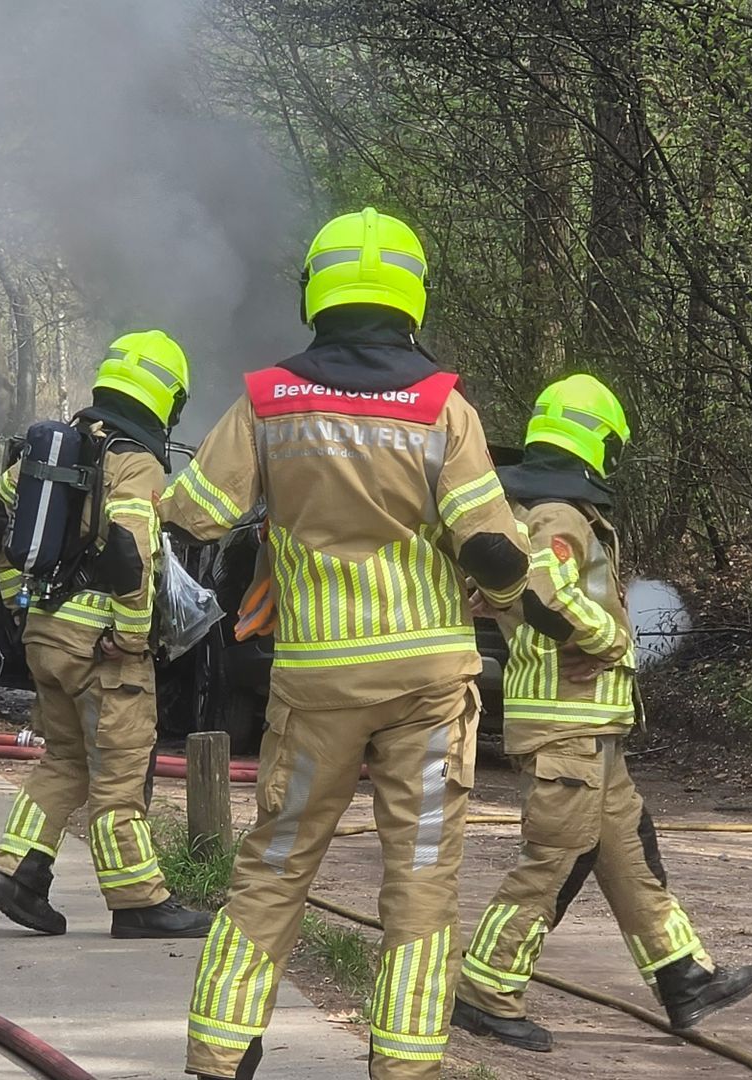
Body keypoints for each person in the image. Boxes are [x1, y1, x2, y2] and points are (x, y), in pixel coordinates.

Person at [165, 208, 531, 1080]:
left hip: (317, 682)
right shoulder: (446, 407)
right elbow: (495, 552)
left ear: (315, 296)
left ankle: (218, 1055)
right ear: (411, 297)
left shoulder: (267, 399)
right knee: (421, 879)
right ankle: (403, 1065)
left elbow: (198, 515)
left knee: (277, 865)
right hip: (430, 686)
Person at [451, 374, 752, 1052]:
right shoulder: (559, 515)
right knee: (555, 862)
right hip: (567, 728)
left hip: (590, 731)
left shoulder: (542, 509)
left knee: (629, 856)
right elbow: (543, 592)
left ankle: (684, 976)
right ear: (600, 445)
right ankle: (485, 990)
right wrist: (610, 636)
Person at [0, 329, 216, 940]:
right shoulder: (135, 461)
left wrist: (20, 609)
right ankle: (139, 901)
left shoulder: (56, 452)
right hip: (103, 654)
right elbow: (133, 554)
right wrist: (133, 640)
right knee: (118, 777)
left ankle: (15, 876)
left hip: (48, 639)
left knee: (63, 762)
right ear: (167, 398)